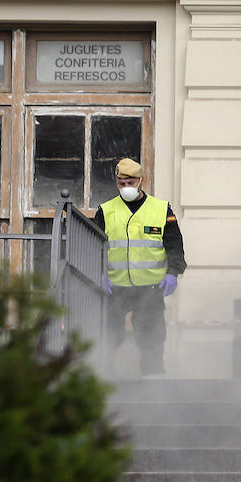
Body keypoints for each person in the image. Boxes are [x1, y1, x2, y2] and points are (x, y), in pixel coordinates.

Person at [95, 158, 187, 378]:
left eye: (131, 181)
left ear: (141, 180)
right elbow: (94, 245)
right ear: (116, 182)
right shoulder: (105, 211)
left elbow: (174, 245)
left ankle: (154, 389)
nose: (127, 187)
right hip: (115, 287)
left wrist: (173, 273)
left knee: (152, 339)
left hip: (150, 288)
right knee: (108, 337)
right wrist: (97, 271)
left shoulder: (161, 210)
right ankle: (103, 384)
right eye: (122, 182)